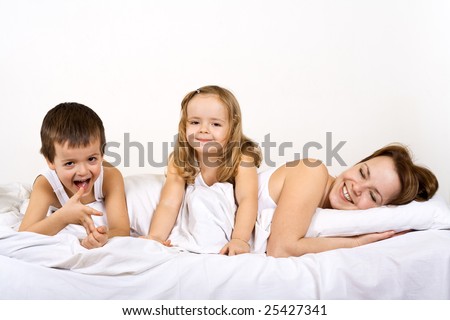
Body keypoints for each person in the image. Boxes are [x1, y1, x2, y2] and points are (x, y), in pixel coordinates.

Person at [260, 143, 439, 257]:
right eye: (362, 173)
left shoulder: (332, 220)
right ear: (357, 163)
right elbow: (281, 249)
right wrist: (356, 243)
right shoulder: (313, 171)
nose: (357, 188)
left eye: (373, 195)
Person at [144, 85, 262, 255]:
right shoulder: (179, 160)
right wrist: (155, 237)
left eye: (215, 124)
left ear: (232, 126)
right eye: (194, 122)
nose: (203, 130)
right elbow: (169, 203)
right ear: (184, 125)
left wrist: (239, 239)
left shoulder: (242, 158)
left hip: (235, 228)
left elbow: (247, 200)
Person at [19, 102, 130, 249]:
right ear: (50, 161)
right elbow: (23, 235)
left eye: (91, 159)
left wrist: (101, 237)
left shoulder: (110, 177)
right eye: (70, 163)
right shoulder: (46, 185)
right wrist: (63, 217)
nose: (83, 171)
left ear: (102, 154)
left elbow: (121, 229)